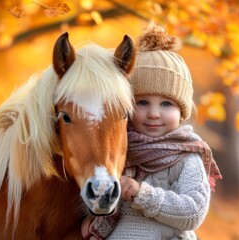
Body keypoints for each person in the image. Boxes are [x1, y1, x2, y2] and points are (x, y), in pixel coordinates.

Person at [81, 22, 222, 240]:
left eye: (166, 104)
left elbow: (193, 212)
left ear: (182, 111)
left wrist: (142, 194)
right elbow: (111, 210)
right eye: (143, 102)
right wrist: (96, 227)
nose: (154, 113)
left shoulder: (186, 157)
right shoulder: (119, 152)